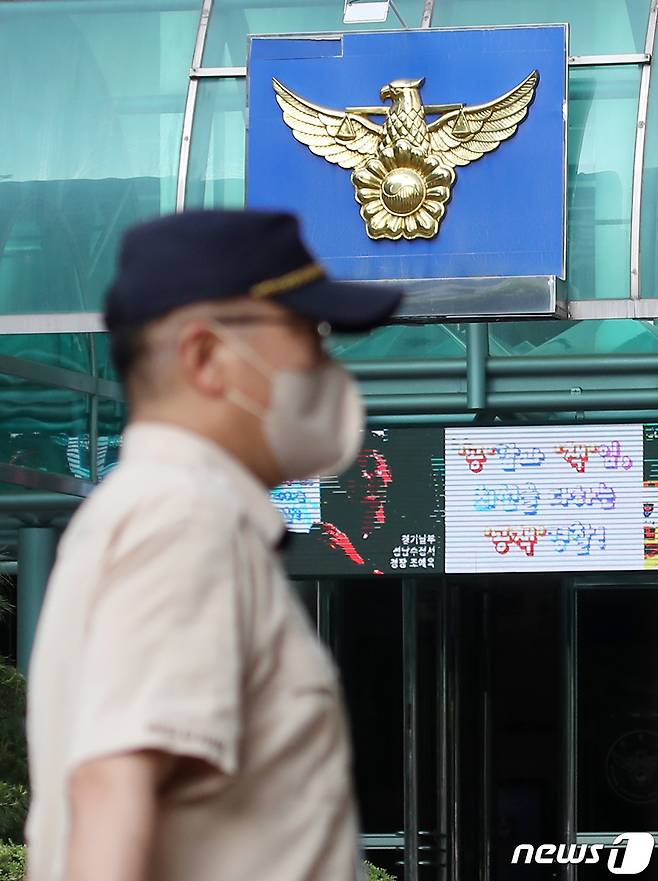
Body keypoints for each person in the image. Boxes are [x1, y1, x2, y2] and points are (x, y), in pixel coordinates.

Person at [23, 209, 402, 881]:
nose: (326, 364)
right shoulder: (183, 518)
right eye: (307, 334)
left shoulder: (162, 511)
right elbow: (111, 790)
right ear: (206, 356)